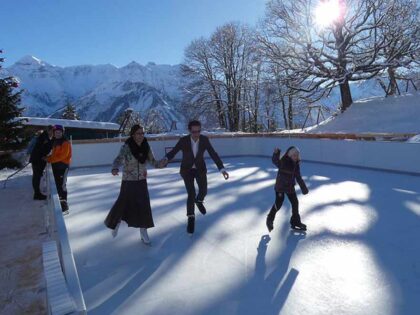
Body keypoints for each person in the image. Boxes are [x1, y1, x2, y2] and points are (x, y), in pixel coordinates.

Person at [160, 120, 229, 234]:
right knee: (191, 193)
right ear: (189, 131)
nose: (196, 134)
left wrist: (222, 169)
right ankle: (191, 218)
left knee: (204, 190)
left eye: (198, 131)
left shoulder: (204, 140)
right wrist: (165, 159)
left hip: (200, 169)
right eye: (194, 131)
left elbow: (213, 153)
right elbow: (173, 151)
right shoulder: (183, 141)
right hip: (186, 170)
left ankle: (199, 201)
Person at [104, 125, 161, 245]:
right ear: (133, 134)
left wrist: (161, 164)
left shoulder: (146, 146)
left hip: (141, 180)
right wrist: (115, 168)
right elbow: (118, 159)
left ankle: (143, 231)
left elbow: (153, 161)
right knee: (123, 203)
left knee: (144, 207)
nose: (140, 136)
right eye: (138, 133)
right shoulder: (127, 146)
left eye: (142, 133)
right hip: (128, 180)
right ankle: (116, 223)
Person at [266, 146, 309, 232]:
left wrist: (304, 188)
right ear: (289, 155)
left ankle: (295, 222)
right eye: (294, 155)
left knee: (295, 203)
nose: (296, 157)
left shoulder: (296, 165)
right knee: (278, 204)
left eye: (297, 155)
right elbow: (275, 161)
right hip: (280, 187)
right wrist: (276, 153)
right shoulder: (283, 162)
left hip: (290, 187)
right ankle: (270, 219)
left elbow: (298, 177)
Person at [46, 125, 72, 214]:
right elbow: (54, 155)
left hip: (63, 166)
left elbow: (63, 156)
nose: (57, 134)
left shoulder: (65, 142)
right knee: (57, 185)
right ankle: (58, 205)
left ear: (62, 133)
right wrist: (48, 158)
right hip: (56, 166)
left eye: (59, 132)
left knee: (62, 186)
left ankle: (64, 206)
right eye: (56, 132)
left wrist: (50, 159)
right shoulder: (56, 142)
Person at [28, 126, 53, 200]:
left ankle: (37, 193)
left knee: (36, 176)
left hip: (37, 159)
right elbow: (41, 149)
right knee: (36, 176)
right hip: (37, 160)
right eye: (51, 131)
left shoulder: (44, 137)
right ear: (48, 131)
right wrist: (44, 156)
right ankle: (37, 194)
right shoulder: (44, 138)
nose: (52, 133)